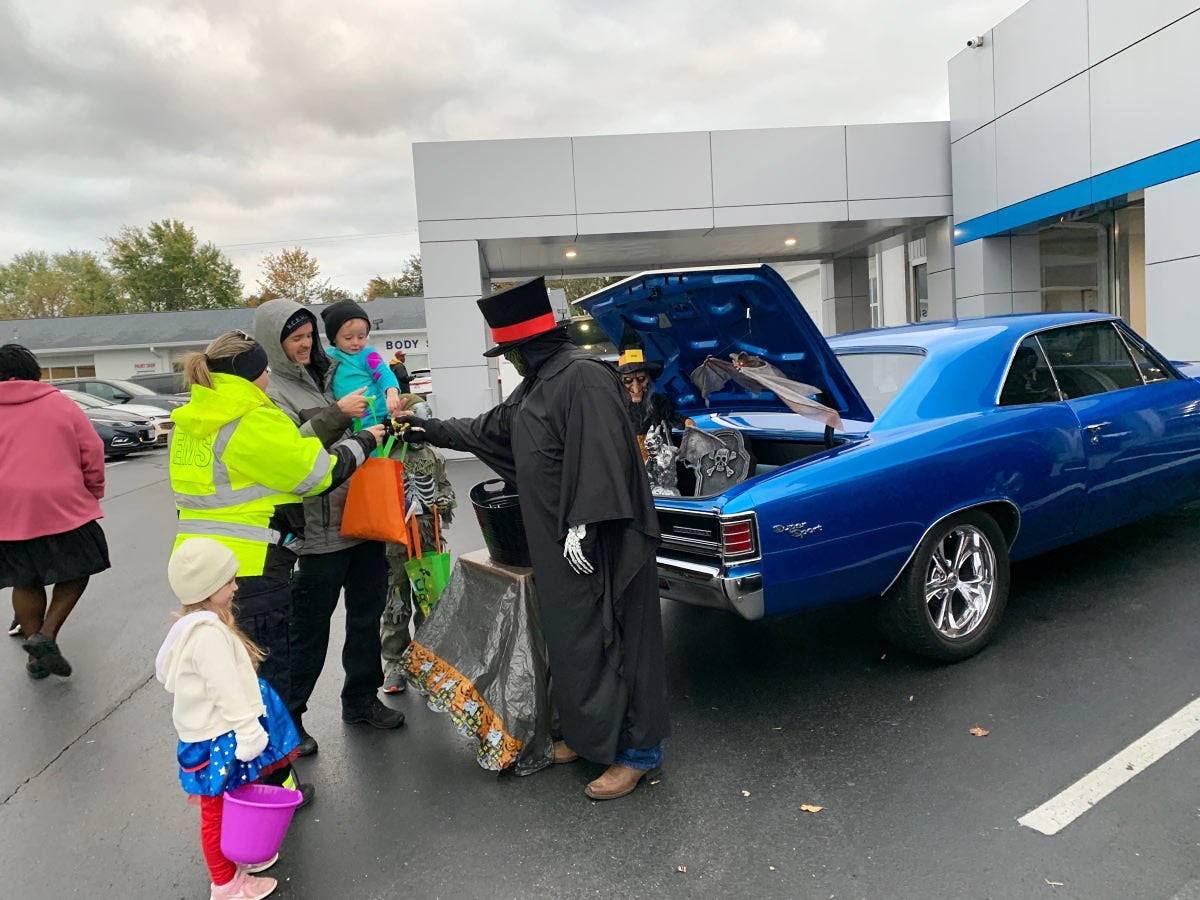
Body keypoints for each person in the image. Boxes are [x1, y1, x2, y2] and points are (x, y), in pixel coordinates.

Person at [397, 276, 670, 801]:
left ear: (532, 345)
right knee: (575, 641)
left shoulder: (585, 376)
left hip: (602, 541)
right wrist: (427, 428)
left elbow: (606, 453)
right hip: (560, 543)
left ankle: (637, 753)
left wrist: (584, 524)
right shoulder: (540, 382)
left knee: (621, 640)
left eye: (511, 351)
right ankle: (591, 735)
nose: (511, 362)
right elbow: (490, 429)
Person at [170, 330, 384, 780]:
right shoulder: (249, 417)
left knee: (226, 674)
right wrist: (362, 443)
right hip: (249, 569)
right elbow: (315, 473)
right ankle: (270, 783)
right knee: (265, 676)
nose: (269, 377)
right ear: (254, 375)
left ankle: (237, 773)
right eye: (265, 370)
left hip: (199, 566)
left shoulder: (191, 419)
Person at [253, 299, 404, 753]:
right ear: (272, 343)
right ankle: (292, 718)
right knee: (307, 629)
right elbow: (289, 453)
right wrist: (338, 412)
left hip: (362, 515)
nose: (304, 345)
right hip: (316, 534)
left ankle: (360, 699)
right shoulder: (270, 392)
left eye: (308, 336)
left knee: (366, 614)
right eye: (294, 338)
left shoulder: (328, 372)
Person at [157, 538, 299, 900]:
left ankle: (238, 856)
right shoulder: (208, 638)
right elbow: (228, 691)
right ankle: (225, 882)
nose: (237, 586)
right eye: (229, 581)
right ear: (207, 588)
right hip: (219, 734)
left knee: (230, 797)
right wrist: (250, 732)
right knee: (216, 809)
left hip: (210, 736)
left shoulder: (192, 627)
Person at [0, 343, 110, 679]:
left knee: (25, 579)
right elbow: (92, 449)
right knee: (79, 566)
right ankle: (45, 636)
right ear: (34, 373)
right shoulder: (60, 403)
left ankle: (35, 660)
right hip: (61, 501)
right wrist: (93, 490)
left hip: (7, 509)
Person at [380, 393, 456, 694]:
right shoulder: (389, 454)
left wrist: (445, 500)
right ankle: (395, 664)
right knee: (396, 605)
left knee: (431, 603)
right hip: (396, 543)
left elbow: (446, 486)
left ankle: (427, 664)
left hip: (429, 539)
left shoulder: (434, 455)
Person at [616, 321, 691, 460]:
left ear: (649, 379)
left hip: (660, 464)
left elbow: (673, 417)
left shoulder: (659, 401)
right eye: (628, 381)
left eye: (641, 379)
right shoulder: (613, 406)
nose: (636, 388)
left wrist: (687, 423)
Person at [322, 299, 402, 427]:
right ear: (334, 338)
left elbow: (383, 374)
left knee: (370, 443)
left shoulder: (368, 355)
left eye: (361, 337)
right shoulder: (328, 356)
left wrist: (391, 392)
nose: (355, 342)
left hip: (372, 413)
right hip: (347, 417)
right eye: (348, 338)